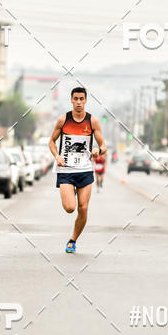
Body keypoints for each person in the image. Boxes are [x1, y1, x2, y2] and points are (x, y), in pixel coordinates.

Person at [49, 86, 106, 253]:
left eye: (82, 99)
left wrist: (98, 150)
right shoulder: (63, 120)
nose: (79, 102)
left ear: (86, 100)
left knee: (83, 208)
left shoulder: (92, 122)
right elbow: (51, 142)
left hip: (85, 170)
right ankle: (70, 192)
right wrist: (57, 156)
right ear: (72, 100)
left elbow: (103, 145)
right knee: (69, 208)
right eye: (76, 99)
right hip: (66, 170)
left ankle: (72, 240)